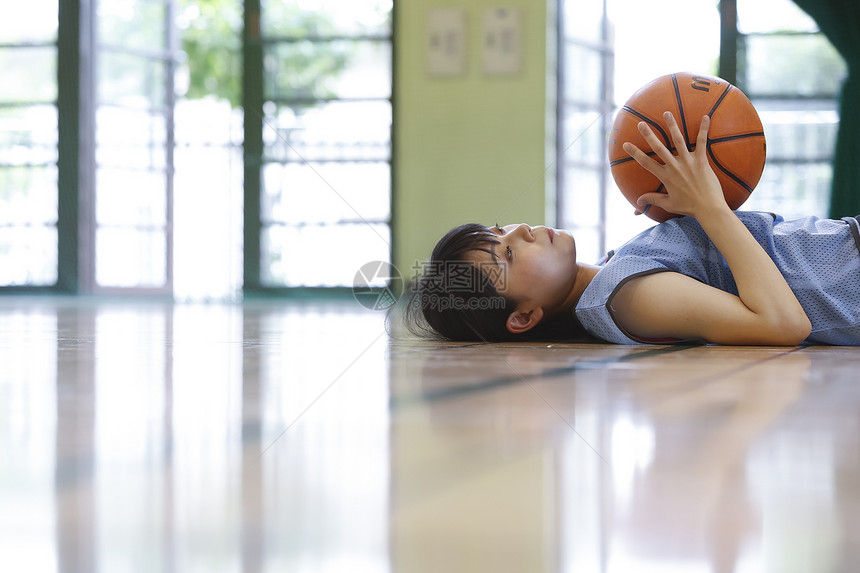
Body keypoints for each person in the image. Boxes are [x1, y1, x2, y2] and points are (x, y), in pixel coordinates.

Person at [404, 112, 860, 346]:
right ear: (523, 316)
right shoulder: (625, 297)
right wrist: (708, 206)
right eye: (506, 255)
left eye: (500, 230)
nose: (520, 231)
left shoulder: (613, 271)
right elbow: (784, 324)